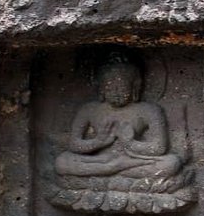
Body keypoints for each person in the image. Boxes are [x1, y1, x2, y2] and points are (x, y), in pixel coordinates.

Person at [54, 52, 182, 179]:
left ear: (135, 87)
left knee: (171, 162)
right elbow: (74, 145)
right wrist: (98, 142)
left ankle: (109, 170)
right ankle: (115, 168)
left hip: (132, 158)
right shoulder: (89, 109)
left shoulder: (149, 110)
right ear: (100, 88)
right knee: (62, 161)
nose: (116, 92)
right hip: (100, 160)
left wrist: (130, 142)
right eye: (109, 88)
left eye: (122, 88)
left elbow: (159, 148)